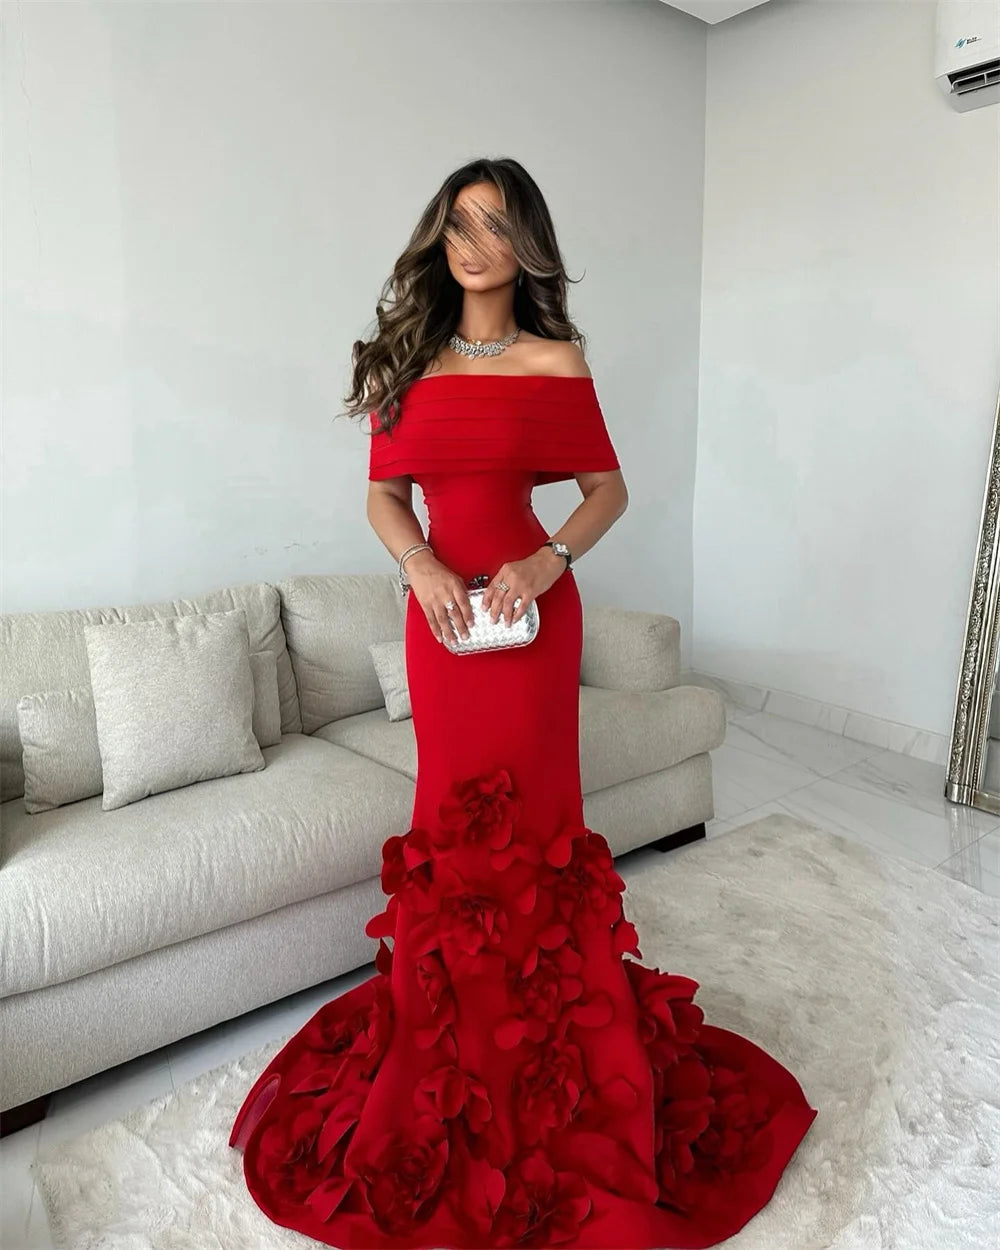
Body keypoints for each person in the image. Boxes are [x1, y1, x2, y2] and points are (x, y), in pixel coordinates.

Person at [229, 157, 818, 1249]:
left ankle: (560, 1055)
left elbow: (609, 489)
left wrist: (547, 559)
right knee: (451, 832)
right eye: (456, 223)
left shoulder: (557, 358)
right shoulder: (409, 357)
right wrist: (418, 566)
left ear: (524, 245)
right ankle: (444, 1048)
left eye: (494, 226)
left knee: (542, 830)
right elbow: (381, 492)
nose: (470, 242)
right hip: (444, 625)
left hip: (533, 627)